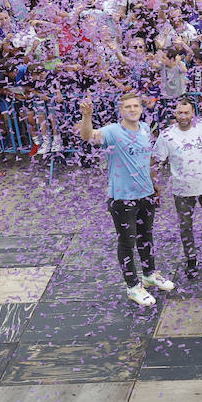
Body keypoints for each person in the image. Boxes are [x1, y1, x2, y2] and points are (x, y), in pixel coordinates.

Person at [79, 92, 176, 307]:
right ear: (121, 111)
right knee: (127, 241)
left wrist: (155, 183)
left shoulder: (144, 129)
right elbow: (88, 136)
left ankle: (149, 274)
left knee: (146, 236)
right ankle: (132, 285)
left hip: (146, 194)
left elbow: (146, 159)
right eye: (128, 107)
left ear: (141, 109)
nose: (132, 110)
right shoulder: (113, 131)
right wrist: (87, 117)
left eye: (136, 106)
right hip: (123, 198)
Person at [152, 98, 202, 279]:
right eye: (180, 113)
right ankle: (191, 260)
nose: (184, 116)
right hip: (182, 190)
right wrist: (155, 184)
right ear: (175, 114)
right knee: (185, 227)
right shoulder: (167, 135)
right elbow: (156, 160)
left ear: (193, 112)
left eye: (187, 112)